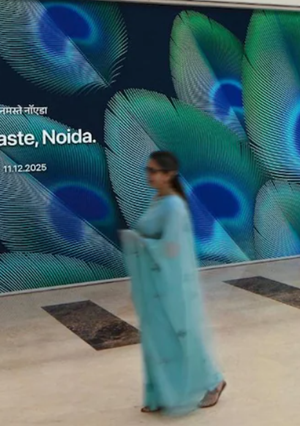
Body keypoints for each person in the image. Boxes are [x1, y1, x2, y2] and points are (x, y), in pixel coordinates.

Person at [120, 151, 226, 415]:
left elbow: (170, 250)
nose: (149, 175)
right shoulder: (159, 200)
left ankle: (214, 381)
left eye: (155, 170)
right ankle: (162, 394)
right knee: (158, 338)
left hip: (171, 285)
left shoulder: (174, 207)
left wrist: (138, 242)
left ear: (169, 174)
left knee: (183, 335)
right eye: (148, 169)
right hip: (155, 285)